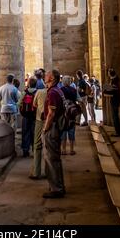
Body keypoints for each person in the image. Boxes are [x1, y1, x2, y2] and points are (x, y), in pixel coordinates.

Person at [42, 70, 65, 198]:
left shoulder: (52, 92)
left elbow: (51, 113)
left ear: (52, 79)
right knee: (55, 159)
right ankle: (58, 186)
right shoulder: (58, 90)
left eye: (47, 75)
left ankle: (56, 189)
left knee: (51, 159)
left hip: (52, 128)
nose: (45, 76)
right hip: (56, 127)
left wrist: (45, 128)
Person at [29, 81, 47, 179]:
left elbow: (34, 105)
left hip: (40, 120)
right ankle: (49, 172)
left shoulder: (40, 92)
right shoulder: (57, 91)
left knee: (37, 145)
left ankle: (36, 172)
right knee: (50, 147)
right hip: (52, 121)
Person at [19, 76, 37, 157]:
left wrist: (21, 111)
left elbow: (19, 103)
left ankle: (25, 151)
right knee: (34, 133)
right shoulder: (37, 92)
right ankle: (34, 151)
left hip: (25, 116)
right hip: (34, 116)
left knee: (25, 132)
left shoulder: (24, 92)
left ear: (29, 84)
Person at [60, 76, 78, 155]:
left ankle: (63, 150)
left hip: (63, 113)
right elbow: (79, 100)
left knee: (63, 131)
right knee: (71, 130)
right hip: (72, 113)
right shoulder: (74, 90)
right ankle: (71, 149)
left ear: (63, 82)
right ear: (70, 82)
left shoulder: (61, 90)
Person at [104, 69, 120, 137]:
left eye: (108, 73)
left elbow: (113, 90)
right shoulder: (113, 80)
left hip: (115, 100)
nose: (108, 74)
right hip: (114, 99)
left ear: (110, 74)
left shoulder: (115, 80)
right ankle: (117, 131)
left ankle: (118, 132)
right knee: (114, 116)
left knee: (115, 117)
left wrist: (106, 90)